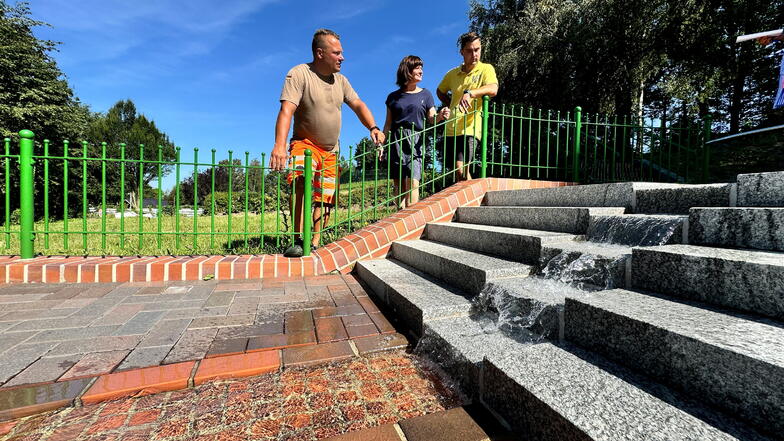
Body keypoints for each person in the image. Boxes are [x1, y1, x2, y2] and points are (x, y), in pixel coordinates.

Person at [269, 29, 385, 258]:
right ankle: (298, 237)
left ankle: (314, 241)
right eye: (337, 53)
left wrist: (373, 127)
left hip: (332, 150)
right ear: (320, 53)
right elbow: (286, 110)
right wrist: (279, 146)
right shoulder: (299, 73)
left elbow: (358, 104)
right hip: (305, 143)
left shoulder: (341, 81)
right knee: (301, 181)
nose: (343, 57)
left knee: (326, 195)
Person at [380, 55, 450, 209]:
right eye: (417, 67)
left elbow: (431, 118)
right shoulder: (393, 97)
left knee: (413, 181)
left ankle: (412, 219)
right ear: (407, 71)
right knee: (399, 186)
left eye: (421, 68)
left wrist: (441, 115)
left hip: (415, 140)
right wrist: (381, 145)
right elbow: (388, 124)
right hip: (396, 140)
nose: (421, 71)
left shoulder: (426, 94)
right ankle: (400, 219)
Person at [437, 31, 498, 181]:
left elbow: (493, 89)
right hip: (451, 128)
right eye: (470, 51)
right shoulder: (452, 74)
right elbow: (440, 91)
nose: (474, 54)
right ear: (462, 52)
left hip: (470, 127)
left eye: (477, 49)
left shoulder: (486, 69)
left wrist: (471, 93)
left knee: (462, 168)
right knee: (458, 173)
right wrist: (450, 104)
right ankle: (471, 202)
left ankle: (473, 202)